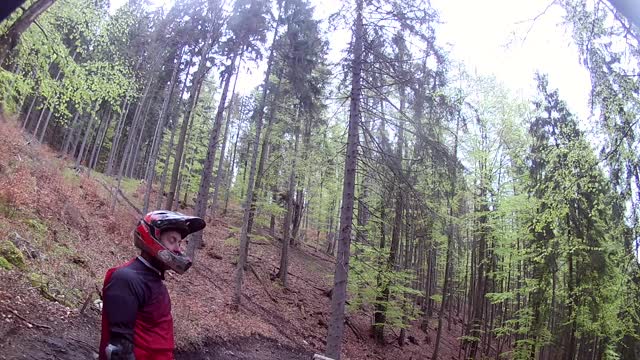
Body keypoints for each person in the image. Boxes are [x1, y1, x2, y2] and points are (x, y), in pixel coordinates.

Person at [98, 210, 205, 360]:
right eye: (172, 240)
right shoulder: (127, 278)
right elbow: (119, 349)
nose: (178, 249)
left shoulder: (154, 281)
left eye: (179, 243)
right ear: (153, 238)